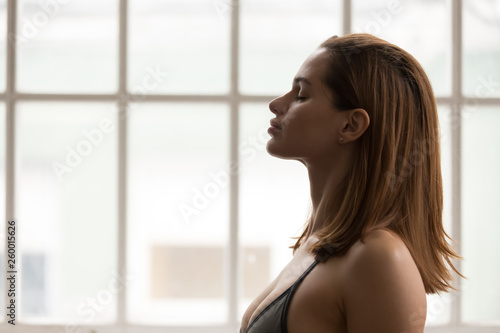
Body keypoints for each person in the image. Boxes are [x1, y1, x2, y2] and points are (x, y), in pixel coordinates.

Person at [240, 33, 462, 333]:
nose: (277, 104)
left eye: (301, 95)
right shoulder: (320, 244)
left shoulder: (379, 258)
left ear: (351, 125)